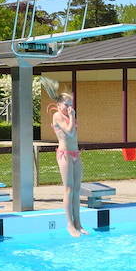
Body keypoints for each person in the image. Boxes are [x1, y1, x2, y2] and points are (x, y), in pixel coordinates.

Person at [42, 76, 87, 237]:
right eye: (66, 105)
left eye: (71, 105)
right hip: (65, 155)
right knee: (68, 189)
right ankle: (70, 225)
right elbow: (69, 131)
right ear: (58, 105)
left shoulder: (69, 116)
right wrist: (72, 116)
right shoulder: (57, 116)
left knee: (77, 189)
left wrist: (72, 117)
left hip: (76, 153)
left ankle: (78, 223)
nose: (69, 108)